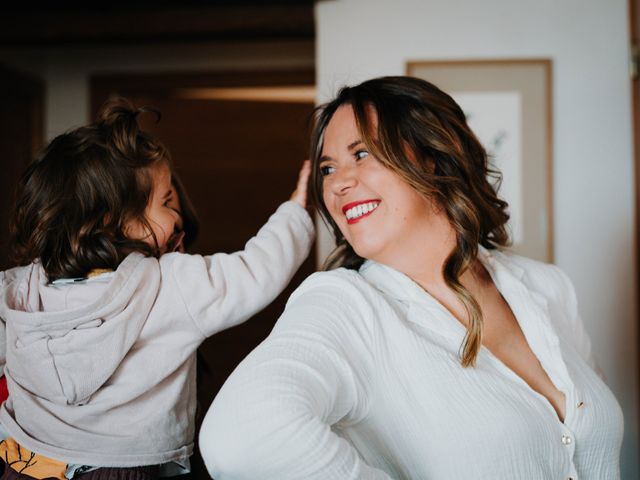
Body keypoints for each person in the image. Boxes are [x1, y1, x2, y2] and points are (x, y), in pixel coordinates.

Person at [198, 76, 624, 479]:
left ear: (436, 155)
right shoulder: (346, 307)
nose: (339, 184)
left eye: (361, 154)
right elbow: (238, 436)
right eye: (328, 169)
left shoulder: (548, 287)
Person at [0, 97, 315, 480]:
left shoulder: (17, 292)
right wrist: (297, 210)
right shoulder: (169, 284)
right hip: (125, 469)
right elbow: (257, 270)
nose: (177, 215)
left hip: (26, 464)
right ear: (111, 222)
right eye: (166, 202)